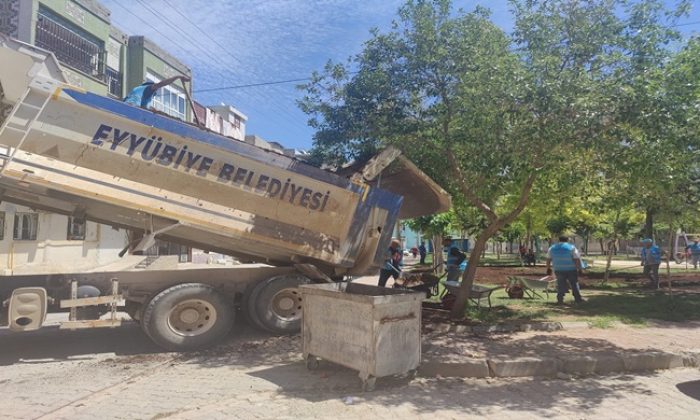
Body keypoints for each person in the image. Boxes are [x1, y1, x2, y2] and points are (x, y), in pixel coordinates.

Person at [546, 236, 584, 304]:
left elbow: (548, 259)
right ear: (568, 240)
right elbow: (576, 259)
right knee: (574, 284)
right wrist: (579, 268)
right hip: (571, 269)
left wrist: (548, 268)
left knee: (560, 285)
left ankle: (560, 300)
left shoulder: (552, 248)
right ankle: (577, 299)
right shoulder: (571, 247)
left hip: (558, 269)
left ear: (559, 239)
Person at [124, 75, 191, 109]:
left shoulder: (138, 90)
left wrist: (152, 109)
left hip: (126, 107)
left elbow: (143, 105)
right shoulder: (148, 89)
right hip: (133, 109)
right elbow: (162, 84)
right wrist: (178, 77)